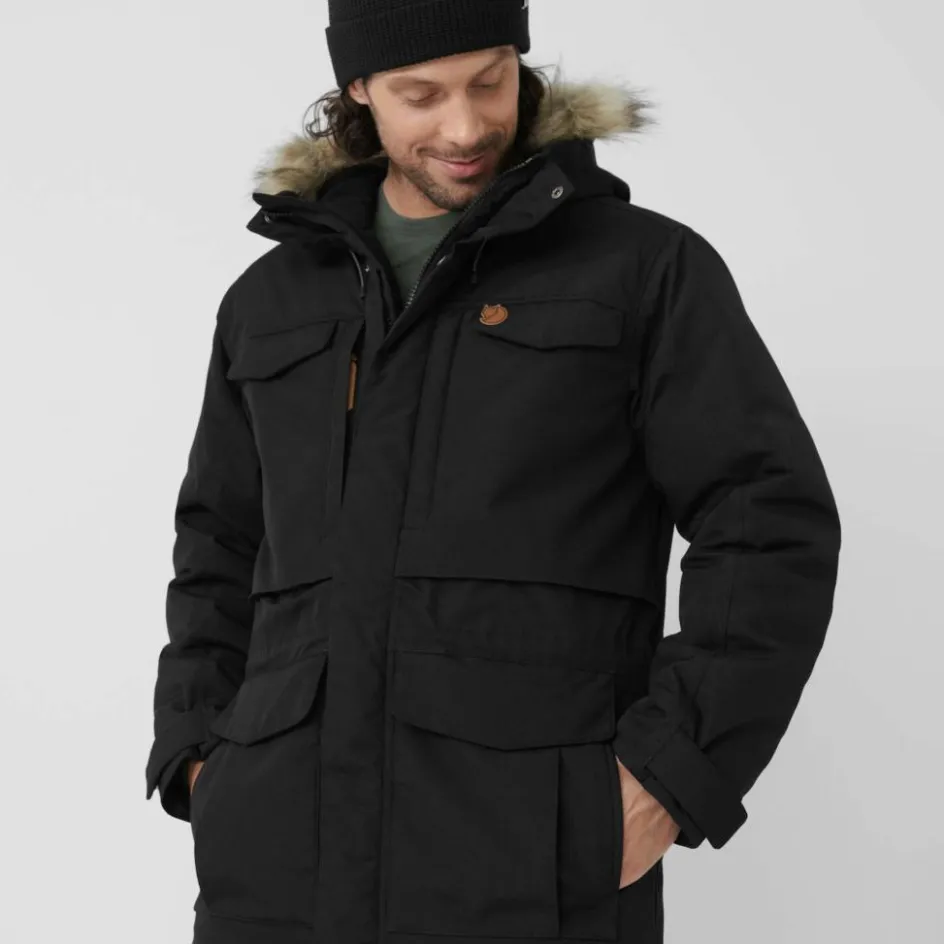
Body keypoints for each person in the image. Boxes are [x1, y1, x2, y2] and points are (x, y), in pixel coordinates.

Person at [144, 2, 842, 943]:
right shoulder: (270, 301)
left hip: (531, 868)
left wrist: (672, 774)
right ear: (359, 89)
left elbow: (767, 521)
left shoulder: (641, 269)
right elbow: (218, 544)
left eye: (489, 81)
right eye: (421, 95)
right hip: (277, 870)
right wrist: (198, 755)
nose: (466, 126)